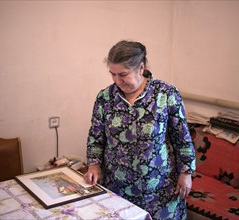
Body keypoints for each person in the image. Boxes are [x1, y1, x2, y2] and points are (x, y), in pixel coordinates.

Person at [84, 40, 196, 220]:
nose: (117, 81)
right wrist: (94, 165)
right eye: (112, 74)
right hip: (116, 186)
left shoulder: (166, 94)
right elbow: (96, 136)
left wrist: (186, 172)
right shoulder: (105, 97)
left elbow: (182, 137)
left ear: (141, 68)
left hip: (159, 188)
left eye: (123, 74)